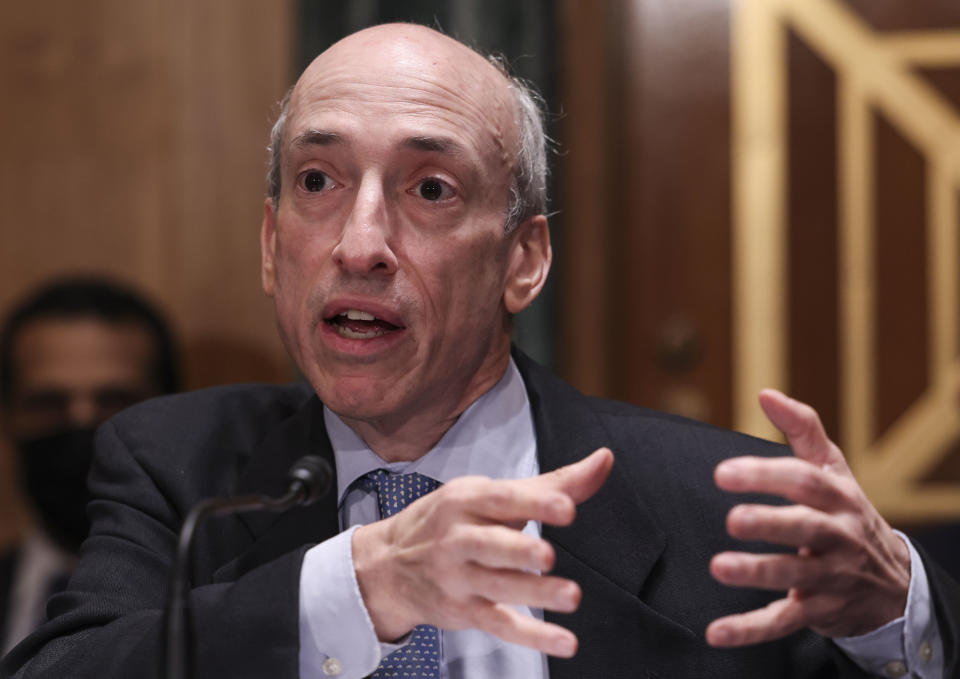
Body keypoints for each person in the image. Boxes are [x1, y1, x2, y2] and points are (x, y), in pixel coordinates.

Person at [3, 23, 958, 679]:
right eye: (319, 179)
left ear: (525, 258)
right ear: (269, 243)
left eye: (430, 191)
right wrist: (364, 584)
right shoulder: (177, 467)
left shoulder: (721, 503)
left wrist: (894, 616)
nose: (359, 243)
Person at [0, 276, 179, 655]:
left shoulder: (218, 602)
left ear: (170, 410)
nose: (81, 425)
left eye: (114, 401)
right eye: (48, 403)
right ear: (10, 417)